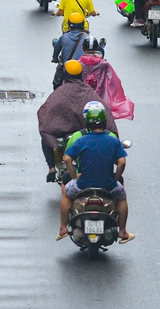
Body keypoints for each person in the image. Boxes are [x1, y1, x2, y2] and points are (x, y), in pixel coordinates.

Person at [58, 101, 133, 243]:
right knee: (122, 197)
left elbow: (67, 159)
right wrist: (115, 178)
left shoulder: (81, 140)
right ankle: (122, 231)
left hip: (83, 184)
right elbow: (122, 162)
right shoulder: (113, 140)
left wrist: (74, 177)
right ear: (104, 122)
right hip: (108, 185)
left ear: (88, 124)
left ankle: (62, 228)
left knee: (67, 195)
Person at [38, 61, 118, 181]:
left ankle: (51, 168)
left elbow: (45, 111)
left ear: (65, 75)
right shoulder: (89, 92)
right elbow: (105, 112)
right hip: (86, 132)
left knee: (45, 136)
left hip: (65, 134)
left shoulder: (59, 93)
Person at [79, 39, 134, 120]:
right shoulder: (104, 64)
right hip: (100, 99)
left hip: (81, 99)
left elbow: (68, 83)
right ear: (97, 48)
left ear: (82, 48)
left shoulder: (77, 64)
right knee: (110, 127)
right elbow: (114, 82)